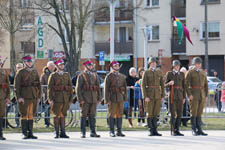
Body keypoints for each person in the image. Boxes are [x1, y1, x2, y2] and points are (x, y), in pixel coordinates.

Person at [14, 55, 42, 139]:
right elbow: (17, 86)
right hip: (24, 96)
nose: (30, 63)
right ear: (25, 62)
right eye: (28, 62)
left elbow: (39, 85)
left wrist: (39, 96)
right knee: (24, 114)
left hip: (33, 96)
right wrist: (18, 97)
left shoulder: (34, 71)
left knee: (31, 115)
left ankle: (30, 133)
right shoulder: (20, 72)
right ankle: (24, 133)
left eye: (31, 61)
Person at [48, 59, 73, 139]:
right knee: (56, 115)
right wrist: (50, 99)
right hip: (56, 98)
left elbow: (70, 87)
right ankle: (56, 132)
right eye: (60, 64)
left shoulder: (67, 75)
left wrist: (70, 99)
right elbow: (50, 88)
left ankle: (63, 132)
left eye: (62, 64)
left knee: (63, 115)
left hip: (65, 98)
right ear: (57, 66)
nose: (62, 66)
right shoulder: (53, 75)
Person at [76, 60, 101, 138]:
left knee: (92, 115)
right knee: (83, 115)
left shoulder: (95, 75)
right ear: (85, 66)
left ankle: (93, 132)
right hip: (85, 98)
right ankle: (82, 132)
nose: (90, 67)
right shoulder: (81, 75)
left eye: (91, 65)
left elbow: (98, 87)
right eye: (89, 65)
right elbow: (78, 88)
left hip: (93, 98)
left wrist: (99, 98)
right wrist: (80, 99)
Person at [141, 57, 165, 136]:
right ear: (149, 64)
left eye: (155, 63)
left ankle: (155, 130)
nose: (154, 64)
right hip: (150, 95)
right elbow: (143, 85)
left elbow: (162, 84)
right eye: (152, 63)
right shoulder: (146, 72)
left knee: (156, 113)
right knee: (150, 113)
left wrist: (162, 95)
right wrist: (145, 96)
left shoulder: (159, 72)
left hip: (157, 95)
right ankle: (150, 129)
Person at [185, 57, 208, 136]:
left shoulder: (202, 72)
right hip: (193, 94)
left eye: (200, 64)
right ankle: (193, 129)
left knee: (199, 112)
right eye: (197, 64)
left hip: (201, 94)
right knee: (193, 112)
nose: (198, 65)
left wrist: (206, 94)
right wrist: (189, 95)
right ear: (194, 64)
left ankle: (199, 129)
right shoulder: (190, 72)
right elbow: (186, 84)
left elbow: (205, 84)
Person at [104, 61, 127, 137]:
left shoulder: (122, 76)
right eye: (115, 66)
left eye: (117, 66)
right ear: (112, 67)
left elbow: (125, 88)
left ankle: (119, 131)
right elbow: (106, 89)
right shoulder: (109, 76)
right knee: (111, 114)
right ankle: (111, 131)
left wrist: (125, 98)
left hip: (120, 97)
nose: (117, 67)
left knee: (119, 114)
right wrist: (107, 100)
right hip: (112, 97)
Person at [165, 60, 185, 136]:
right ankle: (172, 130)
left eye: (178, 66)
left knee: (179, 113)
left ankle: (177, 130)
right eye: (176, 66)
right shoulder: (169, 74)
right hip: (172, 95)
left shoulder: (182, 74)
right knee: (173, 114)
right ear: (173, 66)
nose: (177, 67)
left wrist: (184, 97)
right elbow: (164, 85)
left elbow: (184, 86)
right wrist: (169, 83)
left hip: (180, 95)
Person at [40, 61, 56, 128]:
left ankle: (57, 123)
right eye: (51, 66)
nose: (52, 67)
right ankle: (47, 123)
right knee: (47, 110)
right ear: (48, 67)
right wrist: (46, 91)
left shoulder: (56, 74)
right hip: (47, 95)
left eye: (53, 66)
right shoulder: (44, 75)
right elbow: (41, 84)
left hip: (56, 94)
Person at [0, 56, 10, 140]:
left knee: (1, 115)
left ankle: (0, 133)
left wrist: (7, 97)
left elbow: (7, 86)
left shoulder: (4, 72)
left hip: (2, 97)